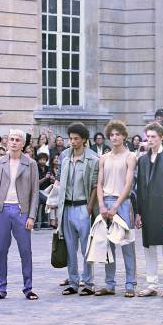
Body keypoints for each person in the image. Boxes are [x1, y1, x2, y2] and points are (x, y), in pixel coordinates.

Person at [0, 129, 39, 301]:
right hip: (2, 211)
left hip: (21, 211)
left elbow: (35, 192)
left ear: (23, 143)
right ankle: (0, 289)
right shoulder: (0, 162)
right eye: (11, 139)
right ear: (7, 142)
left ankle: (28, 288)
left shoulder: (30, 163)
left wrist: (31, 216)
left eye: (18, 140)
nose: (14, 142)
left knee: (26, 251)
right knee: (1, 251)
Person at [93, 120, 138, 298]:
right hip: (105, 201)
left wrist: (117, 205)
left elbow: (129, 183)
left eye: (118, 134)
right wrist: (102, 204)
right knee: (107, 245)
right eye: (111, 135)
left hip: (123, 202)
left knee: (127, 244)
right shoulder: (103, 158)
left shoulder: (130, 156)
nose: (114, 137)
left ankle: (130, 284)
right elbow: (99, 183)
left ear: (124, 136)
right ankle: (109, 284)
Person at [136, 122, 163, 298]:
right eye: (148, 136)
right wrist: (138, 212)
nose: (150, 139)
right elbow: (139, 188)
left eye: (154, 136)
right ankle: (152, 284)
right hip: (147, 209)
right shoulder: (142, 160)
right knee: (149, 249)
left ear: (162, 137)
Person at [56, 122, 99, 296]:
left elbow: (96, 185)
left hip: (83, 207)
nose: (72, 142)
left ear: (84, 140)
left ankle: (88, 282)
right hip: (67, 207)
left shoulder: (93, 159)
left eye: (76, 139)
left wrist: (90, 207)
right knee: (70, 246)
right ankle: (73, 282)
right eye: (71, 138)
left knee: (86, 247)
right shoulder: (65, 156)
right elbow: (60, 181)